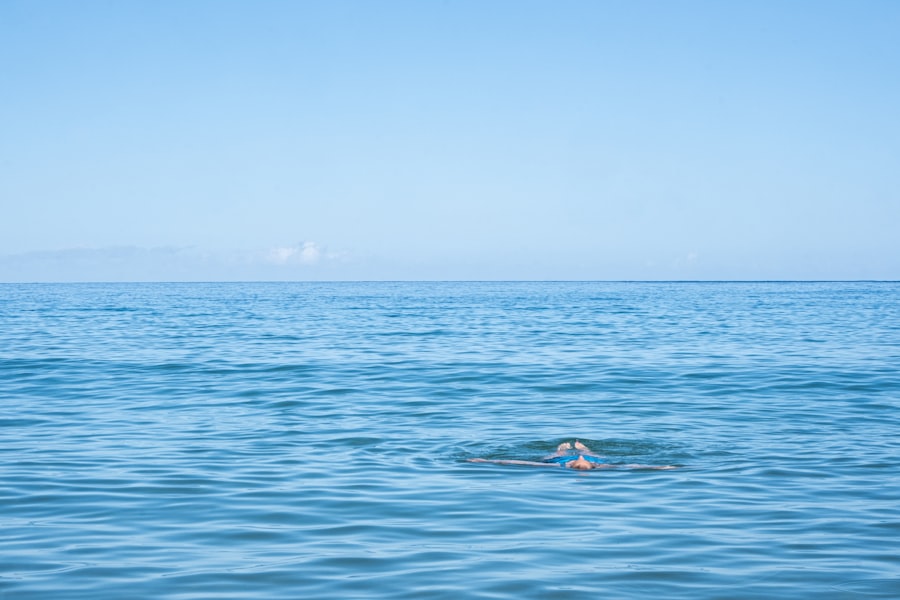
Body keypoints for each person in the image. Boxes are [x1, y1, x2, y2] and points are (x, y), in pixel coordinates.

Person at [467, 440, 676, 470]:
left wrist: (486, 460)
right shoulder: (601, 465)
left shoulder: (557, 466)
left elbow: (516, 462)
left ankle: (561, 449)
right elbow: (633, 466)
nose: (580, 459)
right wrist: (661, 467)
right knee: (592, 453)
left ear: (572, 465)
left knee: (554, 454)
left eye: (580, 459)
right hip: (597, 460)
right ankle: (584, 448)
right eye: (581, 459)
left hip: (558, 460)